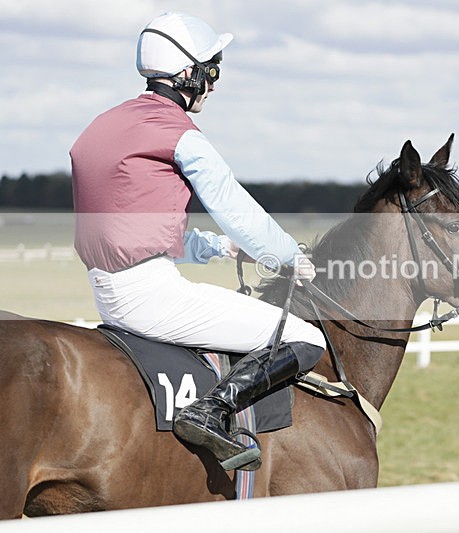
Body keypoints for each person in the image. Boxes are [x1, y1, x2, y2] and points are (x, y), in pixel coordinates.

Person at [70, 12, 326, 471]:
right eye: (212, 69)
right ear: (188, 73)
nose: (215, 82)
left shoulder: (104, 125)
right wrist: (290, 256)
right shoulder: (180, 133)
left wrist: (218, 248)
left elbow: (134, 230)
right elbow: (236, 207)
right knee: (305, 339)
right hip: (150, 296)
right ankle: (210, 412)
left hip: (107, 290)